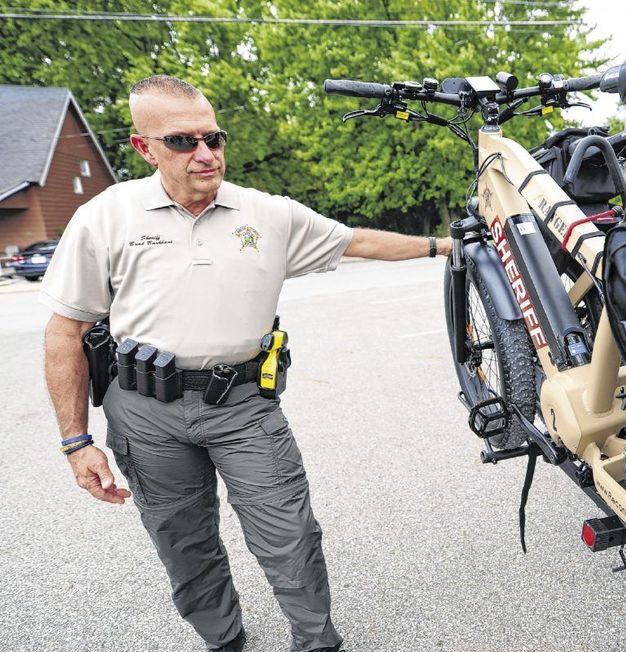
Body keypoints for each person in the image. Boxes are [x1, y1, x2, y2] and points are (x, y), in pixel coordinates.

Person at [41, 74, 451, 652]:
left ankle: (316, 642)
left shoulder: (268, 214)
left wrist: (449, 246)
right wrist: (75, 441)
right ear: (144, 148)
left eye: (214, 137)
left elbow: (356, 242)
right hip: (144, 415)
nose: (206, 154)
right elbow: (66, 331)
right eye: (183, 142)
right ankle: (224, 640)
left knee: (290, 536)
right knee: (183, 541)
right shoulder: (106, 216)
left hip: (243, 407)